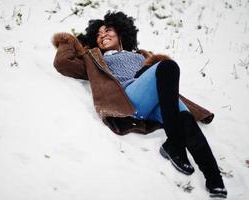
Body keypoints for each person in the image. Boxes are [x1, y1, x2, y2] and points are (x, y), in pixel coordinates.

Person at [52, 11, 227, 198]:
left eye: (108, 30)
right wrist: (67, 40)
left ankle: (215, 181)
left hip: (157, 101)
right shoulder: (93, 58)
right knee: (168, 66)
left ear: (120, 33)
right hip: (129, 99)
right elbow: (63, 63)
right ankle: (175, 144)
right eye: (98, 34)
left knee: (185, 119)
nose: (103, 35)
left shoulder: (142, 55)